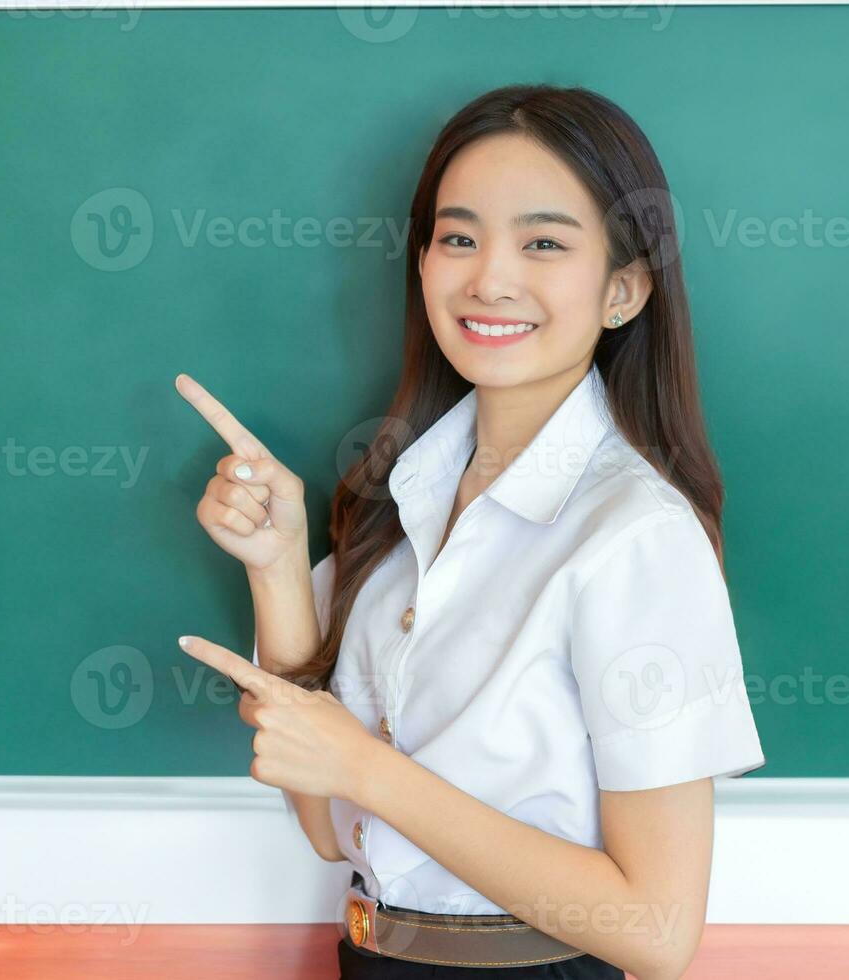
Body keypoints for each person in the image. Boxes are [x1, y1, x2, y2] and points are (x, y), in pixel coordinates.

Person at [174, 83, 765, 979]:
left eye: (543, 242)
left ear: (623, 290)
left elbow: (657, 929)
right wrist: (279, 568)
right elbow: (330, 831)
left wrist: (369, 771)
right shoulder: (399, 503)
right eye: (458, 237)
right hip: (374, 956)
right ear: (420, 263)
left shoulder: (634, 536)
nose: (489, 276)